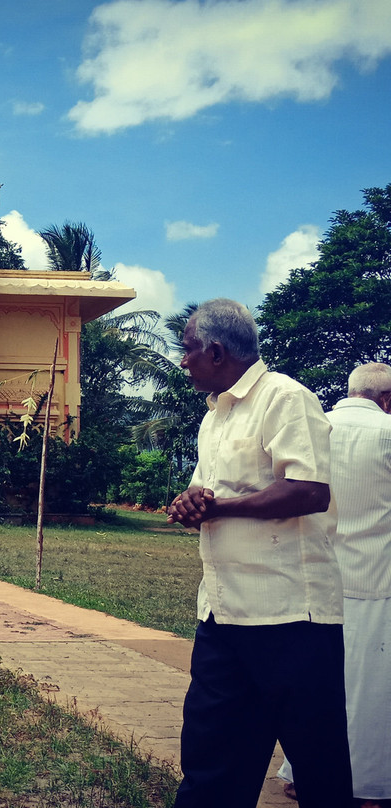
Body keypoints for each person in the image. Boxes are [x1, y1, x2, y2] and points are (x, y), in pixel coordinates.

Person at [166, 298, 352, 808]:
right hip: (223, 615)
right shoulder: (214, 418)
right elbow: (208, 492)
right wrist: (192, 502)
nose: (183, 361)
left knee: (318, 764)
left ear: (218, 352)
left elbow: (310, 490)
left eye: (188, 350)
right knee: (211, 759)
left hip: (291, 618)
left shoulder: (285, 399)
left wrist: (219, 506)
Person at [279, 362, 391, 807]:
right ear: (387, 399)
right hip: (376, 576)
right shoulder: (386, 433)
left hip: (318, 575)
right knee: (370, 684)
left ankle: (299, 773)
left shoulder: (317, 427)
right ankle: (366, 785)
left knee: (320, 684)